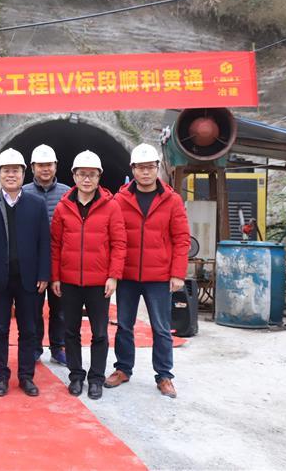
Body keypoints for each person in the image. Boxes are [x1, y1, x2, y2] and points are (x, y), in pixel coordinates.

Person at [106, 143, 190, 399]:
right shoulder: (120, 200)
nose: (145, 172)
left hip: (159, 276)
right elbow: (112, 238)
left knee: (161, 328)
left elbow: (181, 239)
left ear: (157, 168)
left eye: (150, 167)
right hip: (128, 276)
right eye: (140, 168)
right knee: (124, 325)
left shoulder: (172, 200)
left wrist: (177, 273)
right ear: (132, 169)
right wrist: (113, 273)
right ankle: (123, 369)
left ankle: (164, 375)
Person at [50, 150, 126, 400]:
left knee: (100, 333)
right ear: (73, 176)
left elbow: (119, 243)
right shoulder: (63, 207)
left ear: (99, 177)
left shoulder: (111, 207)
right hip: (69, 281)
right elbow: (55, 244)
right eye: (82, 174)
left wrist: (113, 275)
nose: (86, 179)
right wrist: (56, 276)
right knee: (70, 331)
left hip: (98, 282)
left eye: (92, 174)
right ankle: (76, 376)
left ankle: (95, 378)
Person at [0, 149, 50, 397]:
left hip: (29, 279)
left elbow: (44, 243)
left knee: (29, 329)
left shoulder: (36, 205)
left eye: (15, 170)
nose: (11, 175)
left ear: (23, 173)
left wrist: (44, 274)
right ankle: (1, 377)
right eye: (6, 170)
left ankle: (26, 377)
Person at [22, 144, 70, 366]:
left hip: (60, 261)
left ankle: (58, 347)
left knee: (60, 309)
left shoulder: (67, 193)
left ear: (56, 166)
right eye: (40, 165)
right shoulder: (23, 193)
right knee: (33, 309)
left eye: (48, 164)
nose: (45, 169)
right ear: (32, 167)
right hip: (32, 262)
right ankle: (34, 347)